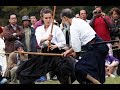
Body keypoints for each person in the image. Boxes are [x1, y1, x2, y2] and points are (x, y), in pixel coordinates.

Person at [60, 8, 109, 84]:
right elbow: (78, 44)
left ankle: (96, 83)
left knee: (79, 68)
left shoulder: (73, 26)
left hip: (95, 48)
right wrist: (69, 51)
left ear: (65, 18)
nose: (63, 22)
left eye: (63, 20)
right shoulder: (79, 21)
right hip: (100, 45)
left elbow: (77, 48)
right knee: (95, 72)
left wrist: (74, 55)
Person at [35, 8, 66, 81]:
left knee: (63, 72)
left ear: (52, 18)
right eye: (46, 18)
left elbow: (63, 42)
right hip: (44, 53)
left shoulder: (56, 28)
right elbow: (39, 41)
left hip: (55, 53)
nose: (48, 20)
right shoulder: (39, 29)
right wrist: (46, 38)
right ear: (42, 18)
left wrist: (56, 45)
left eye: (50, 18)